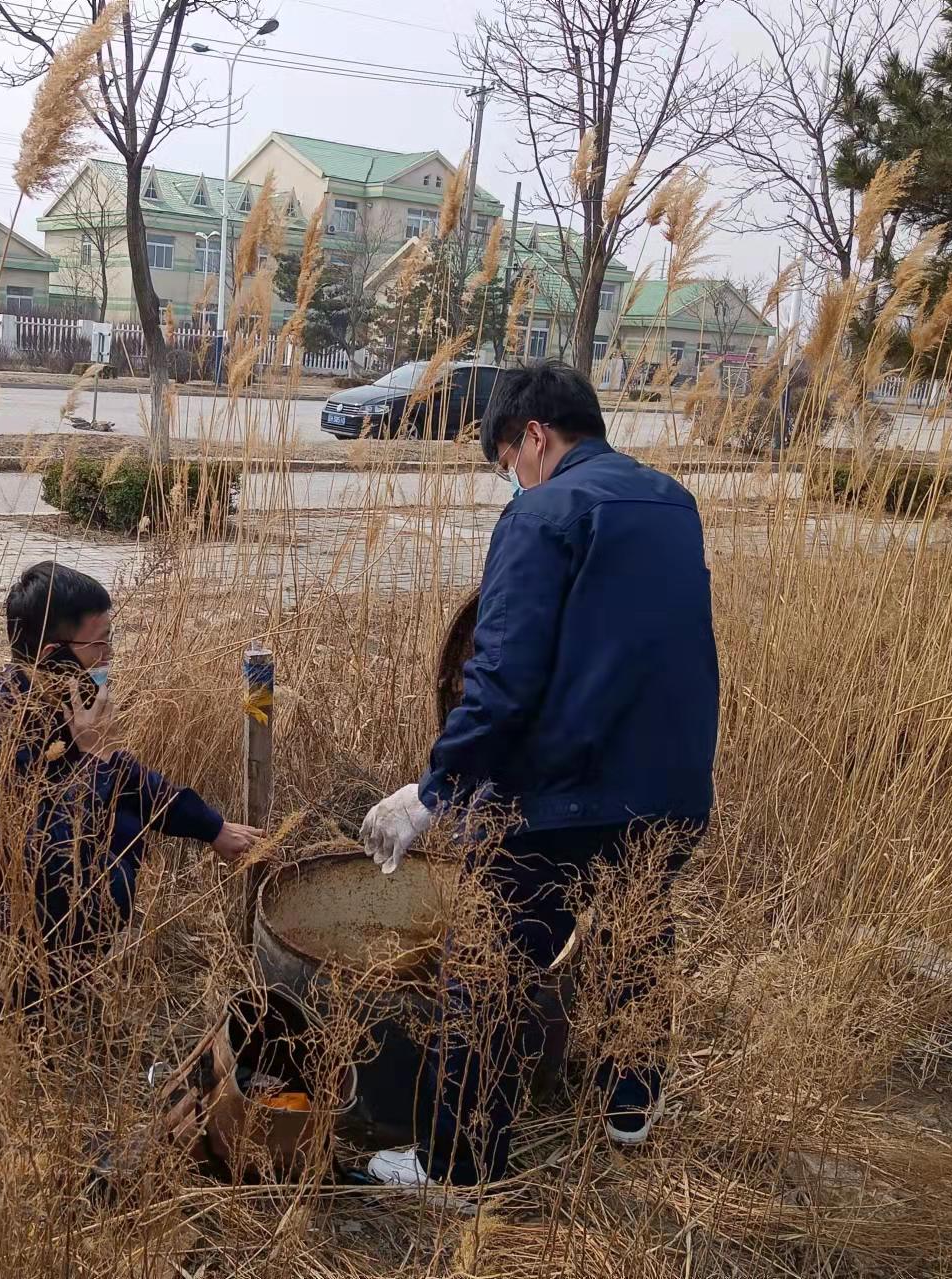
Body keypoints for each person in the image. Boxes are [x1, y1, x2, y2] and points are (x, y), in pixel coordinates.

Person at [361, 361, 719, 1188]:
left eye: (506, 463)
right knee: (636, 933)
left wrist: (434, 788)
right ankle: (628, 1107)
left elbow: (501, 676)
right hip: (671, 786)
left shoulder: (542, 512)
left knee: (486, 970)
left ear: (533, 435)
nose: (512, 479)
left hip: (561, 797)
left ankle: (458, 1170)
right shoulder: (671, 502)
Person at [0, 561, 260, 1004]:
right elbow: (47, 860)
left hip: (9, 887)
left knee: (123, 824)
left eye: (110, 641)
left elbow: (124, 778)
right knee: (106, 882)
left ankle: (59, 965)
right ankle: (34, 992)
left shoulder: (53, 699)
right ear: (53, 655)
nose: (108, 657)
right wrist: (96, 757)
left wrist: (212, 828)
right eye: (99, 645)